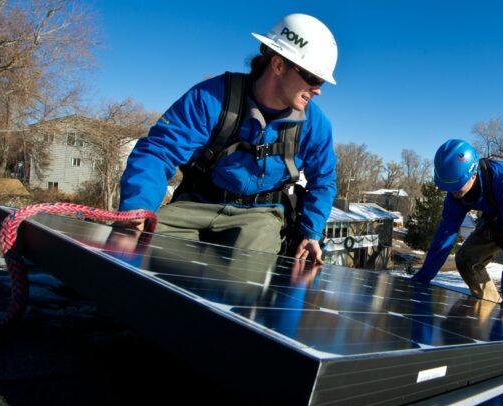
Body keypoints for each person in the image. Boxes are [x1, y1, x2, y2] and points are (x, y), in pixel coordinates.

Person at [117, 14, 338, 264]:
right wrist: (138, 206)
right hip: (197, 203)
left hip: (259, 216)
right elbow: (159, 151)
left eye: (321, 81)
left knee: (244, 276)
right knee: (138, 248)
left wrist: (310, 233)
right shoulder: (212, 97)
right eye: (313, 78)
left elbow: (323, 181)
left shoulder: (316, 125)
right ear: (278, 65)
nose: (318, 89)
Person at [412, 139, 503, 317]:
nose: (452, 192)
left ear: (473, 174)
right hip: (498, 216)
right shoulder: (456, 194)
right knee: (466, 258)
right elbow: (445, 236)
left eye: (455, 186)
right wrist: (422, 278)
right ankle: (492, 310)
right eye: (447, 187)